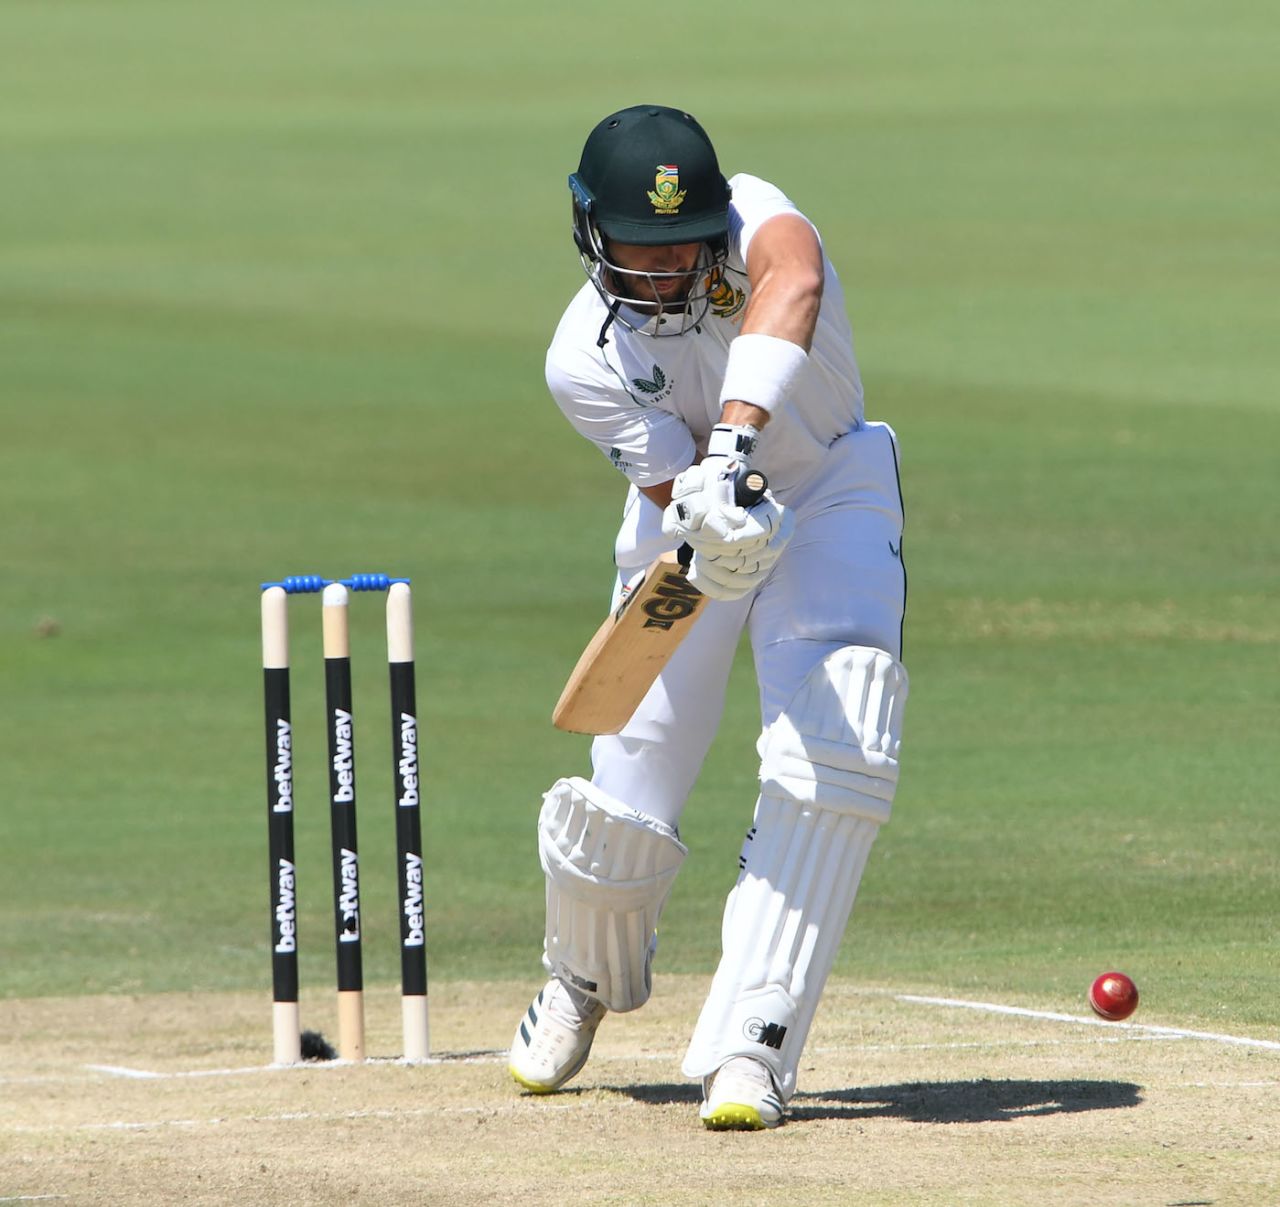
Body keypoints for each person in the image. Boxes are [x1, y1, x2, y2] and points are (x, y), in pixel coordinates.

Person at [508, 104, 909, 1131]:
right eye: (640, 247)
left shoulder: (760, 223)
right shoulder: (581, 358)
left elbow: (795, 278)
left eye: (684, 241)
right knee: (625, 793)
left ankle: (750, 1045)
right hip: (687, 528)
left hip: (829, 490)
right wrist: (709, 513)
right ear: (591, 231)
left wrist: (735, 449)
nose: (666, 266)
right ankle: (582, 977)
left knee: (838, 746)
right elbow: (669, 483)